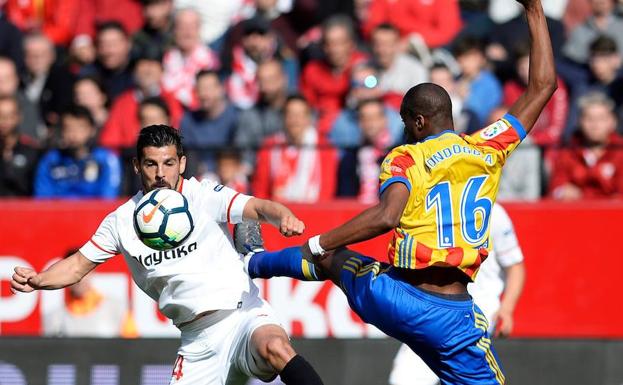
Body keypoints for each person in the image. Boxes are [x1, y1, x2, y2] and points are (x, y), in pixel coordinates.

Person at [239, 0, 556, 383]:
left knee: (330, 259)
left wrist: (320, 243)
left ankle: (252, 264)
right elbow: (543, 85)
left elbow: (387, 216)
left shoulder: (407, 157)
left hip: (398, 299)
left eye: (407, 121)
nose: (404, 129)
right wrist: (535, 11)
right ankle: (254, 263)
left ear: (419, 121)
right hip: (454, 317)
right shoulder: (489, 148)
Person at [12, 124, 325, 385]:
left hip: (243, 315)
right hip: (196, 339)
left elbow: (256, 207)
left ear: (182, 164)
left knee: (275, 347)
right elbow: (78, 265)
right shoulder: (122, 221)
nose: (161, 173)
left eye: (169, 163)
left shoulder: (202, 194)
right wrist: (40, 280)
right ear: (137, 166)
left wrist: (282, 215)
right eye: (151, 164)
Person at [388, 203, 526, 385]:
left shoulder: (493, 212)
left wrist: (506, 309)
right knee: (404, 378)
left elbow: (515, 266)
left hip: (476, 313)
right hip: (434, 308)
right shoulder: (432, 203)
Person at [34, 105, 122, 198]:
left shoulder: (107, 159)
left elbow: (109, 198)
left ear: (92, 130)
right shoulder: (51, 160)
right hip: (58, 211)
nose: (73, 135)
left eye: (80, 128)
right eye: (68, 129)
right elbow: (42, 199)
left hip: (95, 212)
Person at [549, 92, 623, 200]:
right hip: (575, 213)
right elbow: (555, 188)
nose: (595, 124)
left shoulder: (620, 151)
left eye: (601, 119)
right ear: (580, 121)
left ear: (612, 122)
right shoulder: (568, 150)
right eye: (589, 118)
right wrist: (562, 192)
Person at [0, 95, 39, 196]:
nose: (4, 120)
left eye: (9, 115)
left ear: (19, 116)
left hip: (23, 209)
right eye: (0, 115)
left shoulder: (32, 151)